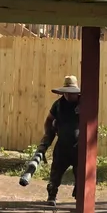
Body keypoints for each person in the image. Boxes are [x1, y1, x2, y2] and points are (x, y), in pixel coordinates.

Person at [41, 75, 82, 206]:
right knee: (56, 173)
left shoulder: (84, 104)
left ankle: (80, 197)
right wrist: (48, 133)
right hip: (62, 146)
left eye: (72, 93)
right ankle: (52, 195)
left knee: (81, 175)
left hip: (79, 147)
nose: (69, 96)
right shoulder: (58, 105)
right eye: (66, 93)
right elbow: (48, 120)